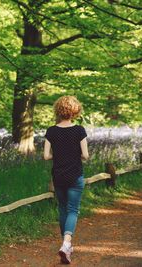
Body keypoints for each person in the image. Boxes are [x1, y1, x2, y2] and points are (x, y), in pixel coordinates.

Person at [44, 95, 89, 264]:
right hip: (75, 175)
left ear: (58, 110)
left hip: (58, 175)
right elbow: (85, 155)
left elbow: (46, 156)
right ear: (75, 111)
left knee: (63, 208)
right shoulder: (79, 131)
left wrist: (59, 152)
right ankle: (66, 243)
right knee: (73, 209)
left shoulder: (51, 131)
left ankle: (66, 246)